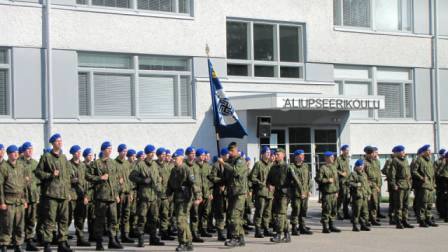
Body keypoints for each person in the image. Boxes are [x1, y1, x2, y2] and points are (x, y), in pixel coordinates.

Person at [35, 134, 73, 252]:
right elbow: (38, 172)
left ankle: (62, 243)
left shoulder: (64, 158)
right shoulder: (46, 157)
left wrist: (69, 192)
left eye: (61, 141)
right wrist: (50, 175)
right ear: (52, 143)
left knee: (63, 220)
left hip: (63, 194)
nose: (60, 143)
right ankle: (47, 244)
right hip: (51, 194)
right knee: (50, 220)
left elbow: (67, 177)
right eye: (57, 141)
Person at [86, 141, 123, 251]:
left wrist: (117, 194)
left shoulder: (113, 163)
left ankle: (112, 240)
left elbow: (115, 181)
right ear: (103, 150)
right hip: (101, 197)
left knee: (113, 220)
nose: (110, 150)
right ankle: (99, 242)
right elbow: (87, 176)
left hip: (112, 197)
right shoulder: (96, 163)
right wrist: (99, 178)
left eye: (111, 149)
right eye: (108, 148)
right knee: (100, 221)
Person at [167, 149, 202, 251]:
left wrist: (198, 197)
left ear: (181, 159)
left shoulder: (186, 169)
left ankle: (183, 243)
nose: (174, 160)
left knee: (180, 221)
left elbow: (193, 183)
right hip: (177, 198)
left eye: (176, 159)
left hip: (185, 198)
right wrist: (165, 195)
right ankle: (189, 243)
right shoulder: (174, 170)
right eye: (173, 159)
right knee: (183, 222)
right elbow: (170, 184)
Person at [129, 144, 164, 247]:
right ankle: (141, 239)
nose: (153, 154)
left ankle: (153, 238)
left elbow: (157, 179)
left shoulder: (154, 165)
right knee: (142, 218)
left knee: (154, 218)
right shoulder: (140, 165)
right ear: (147, 153)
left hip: (154, 197)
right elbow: (132, 176)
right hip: (144, 196)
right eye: (151, 152)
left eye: (153, 152)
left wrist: (159, 191)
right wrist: (143, 180)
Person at [0, 145, 28, 252]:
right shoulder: (3, 167)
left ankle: (18, 244)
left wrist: (25, 199)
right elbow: (0, 186)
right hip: (9, 201)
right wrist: (2, 202)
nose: (16, 154)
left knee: (19, 224)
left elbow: (24, 185)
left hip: (19, 201)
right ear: (8, 154)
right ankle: (4, 244)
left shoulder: (21, 166)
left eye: (17, 152)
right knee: (7, 224)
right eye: (13, 152)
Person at [222, 144, 248, 247]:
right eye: (229, 151)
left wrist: (223, 163)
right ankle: (241, 238)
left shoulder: (240, 161)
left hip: (239, 193)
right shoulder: (230, 161)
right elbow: (227, 177)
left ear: (236, 150)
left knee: (235, 215)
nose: (230, 153)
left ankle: (235, 238)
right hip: (232, 192)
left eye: (232, 151)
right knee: (235, 216)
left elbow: (236, 171)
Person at [267, 148, 293, 243]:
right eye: (275, 154)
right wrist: (269, 185)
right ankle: (287, 235)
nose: (276, 156)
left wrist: (301, 192)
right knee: (282, 214)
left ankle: (278, 234)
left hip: (285, 194)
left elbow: (296, 180)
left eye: (278, 154)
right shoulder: (273, 167)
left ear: (283, 155)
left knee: (280, 214)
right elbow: (268, 179)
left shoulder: (287, 167)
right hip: (276, 194)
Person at [67, 145, 91, 247]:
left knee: (80, 218)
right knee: (67, 218)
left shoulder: (83, 166)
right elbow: (63, 181)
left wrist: (87, 196)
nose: (79, 154)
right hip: (71, 196)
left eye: (80, 152)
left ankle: (80, 238)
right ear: (73, 153)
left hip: (81, 195)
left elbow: (87, 182)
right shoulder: (67, 165)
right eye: (77, 152)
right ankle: (62, 239)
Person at [19, 142, 40, 251]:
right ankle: (16, 241)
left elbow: (39, 179)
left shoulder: (35, 163)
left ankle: (29, 241)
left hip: (32, 196)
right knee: (20, 221)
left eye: (31, 149)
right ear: (23, 151)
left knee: (31, 220)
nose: (30, 151)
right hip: (21, 197)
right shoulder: (18, 163)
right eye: (27, 149)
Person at [249, 146, 274, 238]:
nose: (268, 154)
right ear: (262, 154)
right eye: (266, 153)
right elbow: (252, 177)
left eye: (269, 153)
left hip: (270, 192)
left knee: (268, 212)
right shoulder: (258, 164)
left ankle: (266, 228)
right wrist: (261, 183)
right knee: (259, 211)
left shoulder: (271, 165)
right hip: (261, 192)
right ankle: (258, 230)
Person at [412, 144, 438, 227]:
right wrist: (421, 177)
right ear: (424, 152)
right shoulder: (419, 160)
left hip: (430, 186)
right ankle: (421, 220)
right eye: (428, 150)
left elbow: (432, 174)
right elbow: (414, 171)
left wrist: (434, 184)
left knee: (430, 204)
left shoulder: (429, 161)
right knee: (423, 203)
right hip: (423, 185)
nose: (430, 152)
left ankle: (428, 218)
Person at [388, 145, 414, 229]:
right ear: (397, 153)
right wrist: (394, 185)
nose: (403, 153)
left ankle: (405, 220)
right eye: (402, 151)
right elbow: (392, 174)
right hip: (399, 185)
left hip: (407, 185)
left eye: (403, 151)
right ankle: (398, 221)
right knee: (399, 205)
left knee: (406, 205)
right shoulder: (395, 161)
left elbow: (408, 172)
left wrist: (410, 182)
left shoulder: (405, 160)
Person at [289, 150, 313, 236]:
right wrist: (301, 191)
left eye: (303, 155)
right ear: (295, 157)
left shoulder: (306, 166)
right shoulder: (292, 167)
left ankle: (302, 227)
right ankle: (294, 228)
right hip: (296, 193)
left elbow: (309, 179)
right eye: (300, 155)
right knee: (296, 210)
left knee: (303, 210)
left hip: (305, 193)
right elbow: (295, 180)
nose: (302, 157)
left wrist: (309, 190)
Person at [316, 151, 341, 233]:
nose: (333, 158)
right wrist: (327, 180)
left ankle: (332, 225)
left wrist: (337, 191)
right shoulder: (323, 168)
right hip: (327, 192)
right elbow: (318, 179)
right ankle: (325, 226)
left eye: (333, 157)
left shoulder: (334, 167)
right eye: (331, 157)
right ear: (326, 158)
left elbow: (336, 181)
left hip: (334, 192)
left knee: (334, 210)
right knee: (326, 209)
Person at [208, 149, 229, 241]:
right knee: (219, 212)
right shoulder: (217, 165)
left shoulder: (228, 165)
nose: (228, 156)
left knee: (228, 212)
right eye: (226, 155)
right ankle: (220, 232)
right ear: (223, 155)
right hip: (219, 192)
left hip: (227, 192)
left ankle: (229, 232)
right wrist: (221, 181)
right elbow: (212, 177)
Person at [114, 144, 134, 243]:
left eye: (126, 151)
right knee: (118, 215)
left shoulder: (127, 163)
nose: (125, 153)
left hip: (127, 193)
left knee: (126, 215)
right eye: (123, 151)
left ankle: (125, 235)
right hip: (119, 194)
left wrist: (131, 193)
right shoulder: (114, 163)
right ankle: (116, 236)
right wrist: (116, 194)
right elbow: (112, 180)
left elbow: (130, 179)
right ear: (119, 151)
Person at [184, 147, 204, 243]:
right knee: (185, 217)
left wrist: (199, 197)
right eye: (191, 153)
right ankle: (187, 236)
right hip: (185, 196)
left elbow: (198, 182)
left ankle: (195, 234)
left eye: (194, 153)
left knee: (195, 216)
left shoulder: (196, 166)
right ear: (187, 154)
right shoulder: (183, 166)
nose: (193, 155)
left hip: (194, 196)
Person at [155, 148, 175, 241]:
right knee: (155, 215)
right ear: (158, 155)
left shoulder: (168, 166)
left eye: (165, 154)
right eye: (162, 154)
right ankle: (155, 234)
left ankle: (164, 232)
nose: (164, 156)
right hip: (157, 195)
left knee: (165, 214)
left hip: (167, 194)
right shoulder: (154, 165)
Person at [348, 159, 371, 232]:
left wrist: (369, 193)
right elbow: (349, 182)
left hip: (364, 195)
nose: (361, 167)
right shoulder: (353, 174)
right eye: (360, 165)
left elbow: (366, 185)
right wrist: (356, 184)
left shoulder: (364, 174)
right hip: (357, 196)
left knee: (365, 211)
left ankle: (363, 225)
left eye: (362, 165)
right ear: (356, 166)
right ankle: (355, 225)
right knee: (356, 211)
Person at [195, 149, 213, 238]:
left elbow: (210, 180)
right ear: (197, 156)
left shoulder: (207, 166)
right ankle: (196, 230)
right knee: (197, 213)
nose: (203, 157)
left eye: (204, 155)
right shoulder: (194, 166)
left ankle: (203, 229)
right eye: (201, 155)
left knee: (206, 212)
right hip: (198, 194)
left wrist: (210, 192)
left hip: (206, 193)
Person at [363, 146, 382, 226]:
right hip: (369, 186)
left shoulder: (374, 161)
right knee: (369, 203)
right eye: (371, 153)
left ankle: (373, 218)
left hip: (376, 185)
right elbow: (363, 176)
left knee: (375, 203)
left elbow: (377, 173)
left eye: (373, 153)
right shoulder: (364, 163)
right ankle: (368, 219)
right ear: (367, 154)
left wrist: (378, 185)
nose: (373, 154)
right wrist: (373, 185)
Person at [335, 145, 351, 220]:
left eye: (348, 150)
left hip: (347, 182)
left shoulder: (347, 159)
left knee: (347, 198)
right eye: (346, 150)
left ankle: (346, 213)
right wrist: (341, 173)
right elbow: (334, 169)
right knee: (340, 199)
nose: (347, 152)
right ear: (343, 151)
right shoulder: (338, 159)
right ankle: (338, 213)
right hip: (341, 182)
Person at [437, 152, 448, 222]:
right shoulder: (444, 165)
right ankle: (445, 216)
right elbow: (439, 174)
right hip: (445, 185)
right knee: (445, 202)